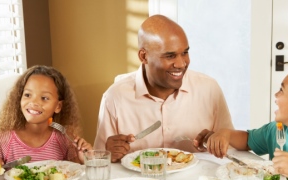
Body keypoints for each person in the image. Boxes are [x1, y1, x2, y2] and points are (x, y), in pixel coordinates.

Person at [93, 14, 233, 162]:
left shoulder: (209, 89)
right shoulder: (114, 98)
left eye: (185, 53)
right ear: (143, 56)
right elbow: (98, 164)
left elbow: (231, 151)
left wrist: (218, 144)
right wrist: (106, 155)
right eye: (170, 56)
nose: (181, 64)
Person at [200, 64, 288, 180]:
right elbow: (247, 140)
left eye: (281, 91)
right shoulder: (276, 130)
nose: (276, 95)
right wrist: (226, 134)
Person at [0, 65, 92, 165]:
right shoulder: (3, 141)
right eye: (28, 95)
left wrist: (85, 160)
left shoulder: (65, 140)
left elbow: (75, 176)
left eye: (44, 98)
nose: (33, 103)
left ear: (58, 106)